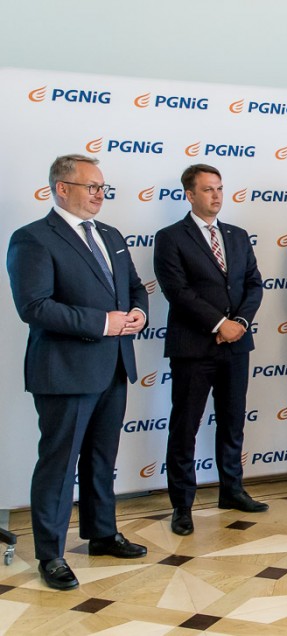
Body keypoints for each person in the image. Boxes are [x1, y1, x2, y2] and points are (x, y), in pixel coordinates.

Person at [7, 154, 149, 591]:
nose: (99, 194)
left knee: (102, 458)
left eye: (102, 187)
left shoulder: (111, 234)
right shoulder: (32, 238)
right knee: (59, 463)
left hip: (114, 366)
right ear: (62, 188)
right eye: (91, 186)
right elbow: (35, 306)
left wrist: (139, 312)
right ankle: (50, 554)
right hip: (65, 370)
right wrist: (103, 322)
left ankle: (102, 533)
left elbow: (134, 288)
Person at [154, 163, 266, 536]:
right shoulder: (171, 237)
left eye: (219, 188)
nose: (216, 195)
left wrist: (240, 324)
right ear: (189, 195)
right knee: (185, 427)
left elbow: (254, 284)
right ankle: (182, 505)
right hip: (193, 347)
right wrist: (220, 324)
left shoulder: (237, 235)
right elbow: (178, 291)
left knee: (232, 422)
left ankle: (232, 491)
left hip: (237, 346)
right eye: (207, 189)